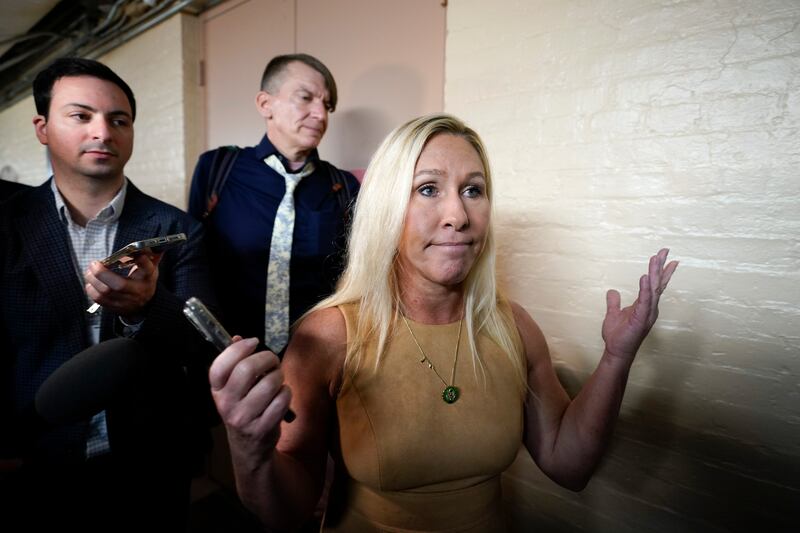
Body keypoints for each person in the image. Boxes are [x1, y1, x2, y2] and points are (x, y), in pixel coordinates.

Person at [207, 113, 679, 531]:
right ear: (387, 208)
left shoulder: (512, 326)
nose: (458, 215)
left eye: (472, 190)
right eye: (428, 189)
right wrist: (249, 451)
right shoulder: (328, 336)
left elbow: (569, 465)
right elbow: (285, 513)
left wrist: (618, 356)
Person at [0, 57, 217, 532]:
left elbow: (204, 344)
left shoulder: (177, 230)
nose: (103, 131)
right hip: (36, 463)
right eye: (81, 116)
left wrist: (147, 307)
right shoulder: (8, 226)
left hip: (149, 462)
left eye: (119, 120)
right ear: (42, 127)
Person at [188, 53, 359, 355]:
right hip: (227, 354)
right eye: (305, 98)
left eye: (327, 105)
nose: (321, 114)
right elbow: (191, 265)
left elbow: (353, 276)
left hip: (315, 359)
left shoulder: (343, 186)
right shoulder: (218, 168)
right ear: (265, 104)